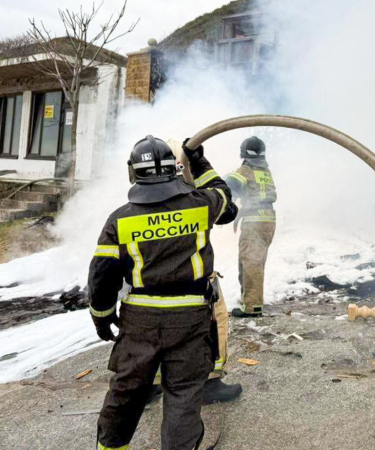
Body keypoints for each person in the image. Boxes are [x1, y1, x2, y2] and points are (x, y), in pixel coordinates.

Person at [88, 135, 239, 450]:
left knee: (126, 390)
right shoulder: (200, 205)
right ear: (174, 171)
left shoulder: (120, 218)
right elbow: (226, 199)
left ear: (134, 173)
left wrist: (101, 317)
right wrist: (199, 162)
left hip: (139, 323)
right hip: (190, 319)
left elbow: (103, 274)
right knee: (183, 393)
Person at [224, 136, 277, 318]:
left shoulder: (246, 169)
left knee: (250, 263)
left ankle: (252, 307)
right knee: (253, 261)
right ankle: (249, 299)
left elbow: (230, 184)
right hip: (268, 220)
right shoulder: (265, 171)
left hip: (255, 221)